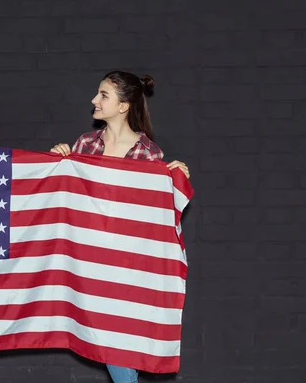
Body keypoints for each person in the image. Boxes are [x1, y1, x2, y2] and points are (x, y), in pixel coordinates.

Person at [50, 70, 189, 383]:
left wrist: (172, 178)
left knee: (119, 347)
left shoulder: (148, 154)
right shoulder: (84, 145)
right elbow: (66, 197)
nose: (94, 100)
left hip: (127, 269)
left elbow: (151, 217)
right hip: (91, 266)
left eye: (103, 95)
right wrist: (57, 161)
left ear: (123, 106)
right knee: (116, 347)